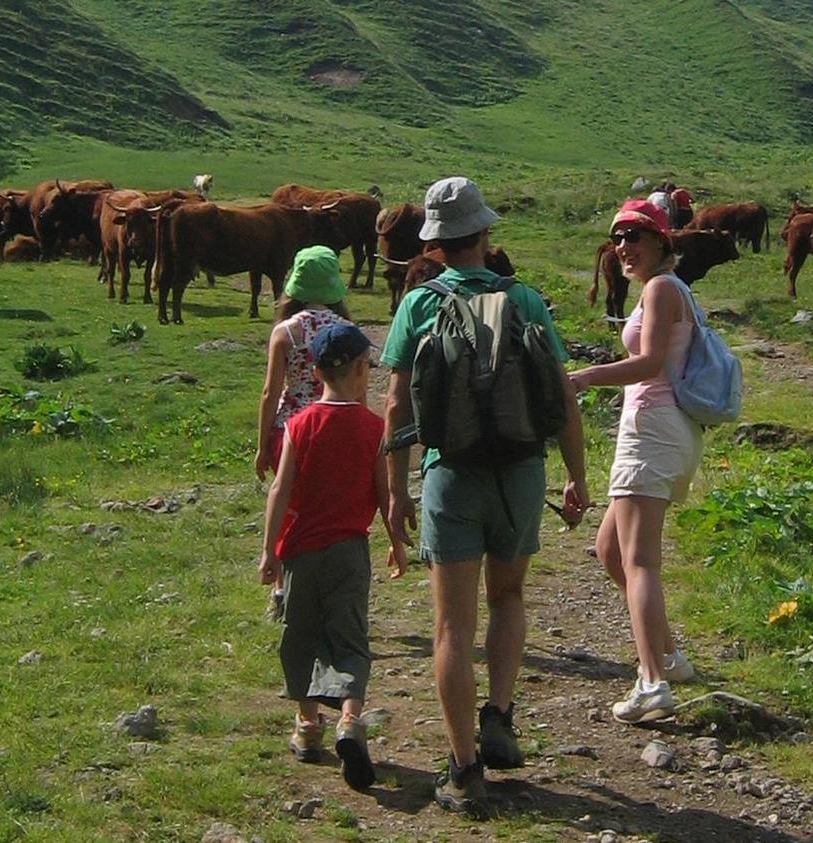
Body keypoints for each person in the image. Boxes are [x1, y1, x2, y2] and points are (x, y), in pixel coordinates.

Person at [380, 176, 589, 814]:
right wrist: (577, 475)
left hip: (451, 473)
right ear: (485, 233)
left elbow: (394, 405)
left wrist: (396, 493)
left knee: (450, 627)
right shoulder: (524, 298)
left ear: (435, 244)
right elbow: (562, 396)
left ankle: (463, 768)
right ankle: (500, 714)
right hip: (522, 471)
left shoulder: (417, 304)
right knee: (510, 595)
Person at [567, 198, 705, 724]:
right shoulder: (671, 289)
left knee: (639, 560)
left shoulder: (661, 288)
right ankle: (668, 654)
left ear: (662, 243)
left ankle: (652, 683)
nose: (623, 247)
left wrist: (582, 377)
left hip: (652, 428)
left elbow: (648, 363)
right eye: (618, 237)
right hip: (663, 430)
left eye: (636, 237)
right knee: (609, 549)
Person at [258, 321, 407, 792]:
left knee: (300, 634)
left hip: (300, 552)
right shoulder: (372, 428)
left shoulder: (300, 425)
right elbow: (384, 493)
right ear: (362, 370)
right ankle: (349, 718)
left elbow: (280, 491)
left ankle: (307, 726)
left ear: (317, 371)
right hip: (349, 550)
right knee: (349, 636)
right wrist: (396, 541)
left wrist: (268, 552)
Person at [256, 246, 353, 619]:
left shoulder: (286, 332)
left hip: (291, 427)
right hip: (336, 428)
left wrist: (262, 444)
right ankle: (330, 586)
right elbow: (357, 393)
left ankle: (283, 587)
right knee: (329, 508)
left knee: (288, 506)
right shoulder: (347, 331)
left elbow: (270, 392)